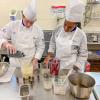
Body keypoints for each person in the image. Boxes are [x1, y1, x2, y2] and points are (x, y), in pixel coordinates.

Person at [44, 0, 88, 72]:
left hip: (72, 68)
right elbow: (52, 43)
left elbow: (83, 55)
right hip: (57, 66)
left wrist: (76, 67)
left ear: (76, 25)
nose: (66, 28)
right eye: (65, 24)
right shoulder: (57, 29)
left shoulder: (81, 35)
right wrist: (49, 55)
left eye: (70, 27)